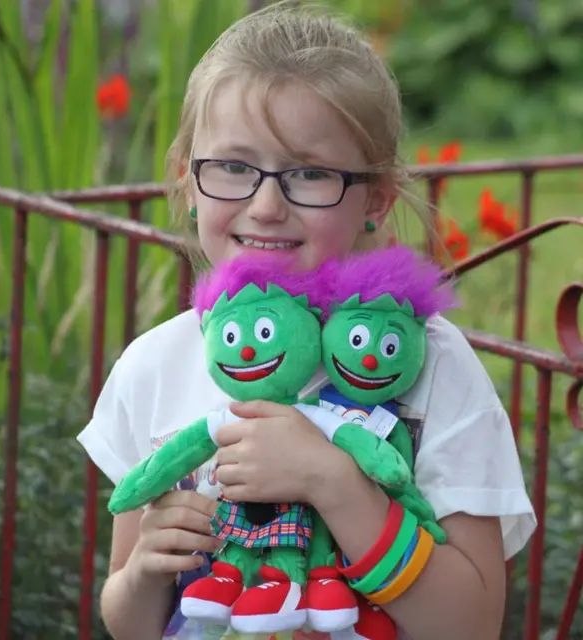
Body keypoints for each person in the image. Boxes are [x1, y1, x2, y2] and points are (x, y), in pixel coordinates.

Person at [76, 3, 536, 639]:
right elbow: (129, 621)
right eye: (234, 167)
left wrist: (335, 484)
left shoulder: (432, 369)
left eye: (310, 174)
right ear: (188, 180)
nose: (266, 206)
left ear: (375, 198)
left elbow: (471, 625)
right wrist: (145, 574)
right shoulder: (153, 367)